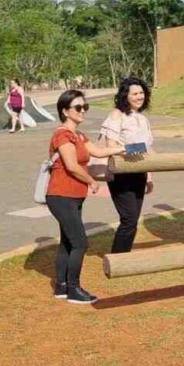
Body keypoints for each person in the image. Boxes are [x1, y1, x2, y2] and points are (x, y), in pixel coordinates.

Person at [47, 90, 126, 304]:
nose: (83, 111)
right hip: (60, 195)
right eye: (78, 107)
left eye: (85, 107)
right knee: (80, 242)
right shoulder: (62, 134)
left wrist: (124, 148)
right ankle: (74, 288)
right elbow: (71, 166)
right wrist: (91, 181)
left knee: (67, 242)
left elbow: (98, 152)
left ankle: (62, 287)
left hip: (73, 196)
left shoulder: (79, 135)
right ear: (65, 111)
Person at [101, 77, 155, 253]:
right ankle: (118, 257)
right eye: (135, 93)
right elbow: (111, 146)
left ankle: (124, 256)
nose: (139, 97)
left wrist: (150, 175)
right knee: (129, 218)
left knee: (133, 218)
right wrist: (138, 148)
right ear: (125, 96)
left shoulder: (142, 118)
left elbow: (149, 149)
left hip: (139, 173)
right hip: (121, 173)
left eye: (141, 93)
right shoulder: (117, 115)